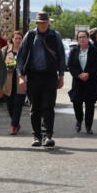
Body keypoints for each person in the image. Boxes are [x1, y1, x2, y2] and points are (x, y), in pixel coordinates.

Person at [16, 12, 65, 147]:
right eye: (40, 22)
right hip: (33, 76)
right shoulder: (30, 36)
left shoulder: (55, 36)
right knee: (35, 108)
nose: (43, 24)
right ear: (36, 23)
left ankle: (47, 136)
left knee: (48, 106)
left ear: (48, 23)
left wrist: (61, 76)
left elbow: (61, 57)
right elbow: (20, 57)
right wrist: (21, 77)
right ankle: (37, 136)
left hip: (50, 76)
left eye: (45, 22)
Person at [68, 30, 97, 134]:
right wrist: (78, 74)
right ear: (77, 39)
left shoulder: (94, 50)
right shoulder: (74, 51)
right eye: (80, 37)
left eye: (84, 37)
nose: (82, 39)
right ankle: (79, 120)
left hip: (91, 82)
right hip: (78, 82)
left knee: (90, 105)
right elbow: (71, 65)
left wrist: (88, 74)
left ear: (88, 38)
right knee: (76, 103)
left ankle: (88, 126)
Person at [2, 31, 26, 135]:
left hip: (20, 82)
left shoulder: (26, 51)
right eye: (16, 38)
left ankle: (13, 126)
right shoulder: (6, 50)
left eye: (20, 38)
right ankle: (16, 123)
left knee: (18, 105)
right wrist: (6, 67)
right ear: (12, 39)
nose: (18, 40)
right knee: (10, 105)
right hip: (8, 83)